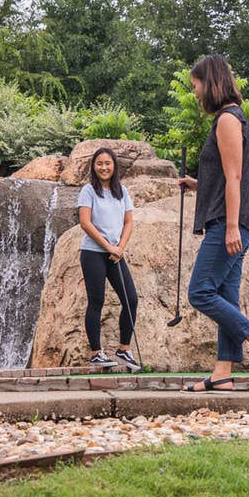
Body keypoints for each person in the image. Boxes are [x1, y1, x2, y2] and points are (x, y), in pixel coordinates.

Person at [176, 55, 249, 391]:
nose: (195, 94)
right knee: (225, 295)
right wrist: (197, 184)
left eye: (195, 87)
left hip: (229, 220)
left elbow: (236, 176)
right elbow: (225, 176)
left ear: (209, 83)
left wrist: (232, 226)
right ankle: (222, 373)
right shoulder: (229, 118)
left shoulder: (227, 119)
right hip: (229, 217)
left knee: (200, 292)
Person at [77, 147, 141, 372]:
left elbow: (129, 222)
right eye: (99, 164)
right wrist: (108, 246)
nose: (104, 167)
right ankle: (96, 353)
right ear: (94, 167)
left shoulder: (121, 191)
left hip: (116, 254)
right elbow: (85, 222)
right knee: (97, 301)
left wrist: (120, 248)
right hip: (93, 253)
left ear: (114, 166)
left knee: (131, 299)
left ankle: (124, 348)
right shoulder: (88, 191)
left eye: (107, 163)